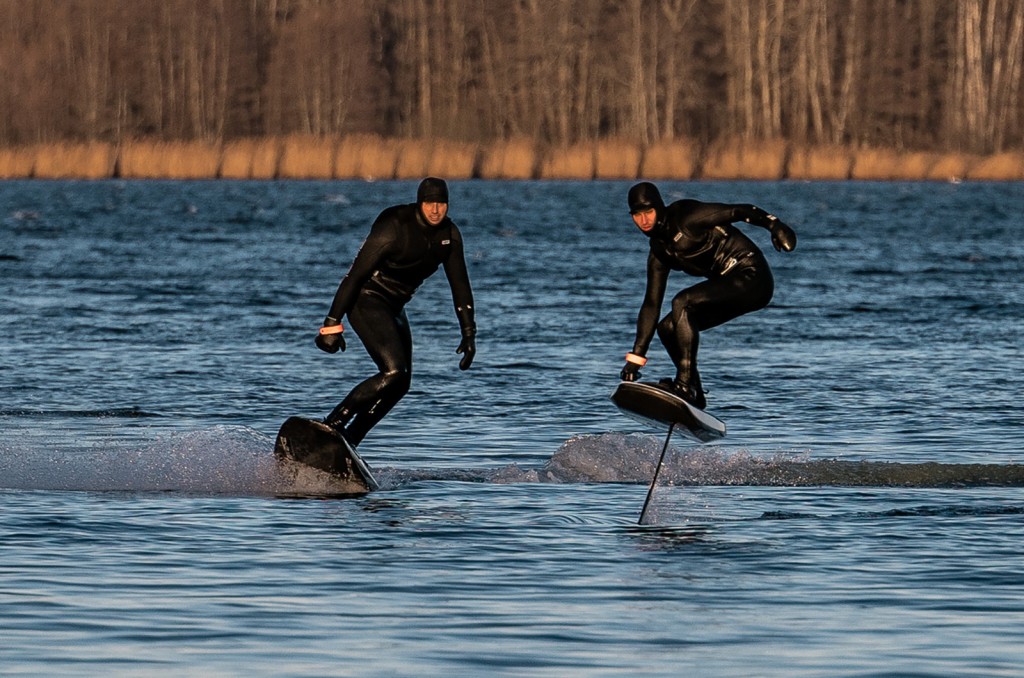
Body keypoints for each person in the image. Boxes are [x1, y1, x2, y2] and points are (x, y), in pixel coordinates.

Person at [314, 177, 476, 447]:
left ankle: (351, 440)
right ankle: (334, 423)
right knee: (393, 372)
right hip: (366, 298)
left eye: (441, 204)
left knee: (401, 383)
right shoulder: (395, 225)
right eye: (429, 203)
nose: (435, 210)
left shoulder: (449, 235)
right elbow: (354, 276)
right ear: (419, 203)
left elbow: (460, 286)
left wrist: (469, 332)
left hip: (395, 307)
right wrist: (332, 324)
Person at [619, 182, 797, 409]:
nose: (643, 220)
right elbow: (651, 304)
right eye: (637, 215)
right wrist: (636, 358)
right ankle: (695, 393)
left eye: (648, 212)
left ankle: (683, 386)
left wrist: (774, 225)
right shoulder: (659, 252)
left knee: (682, 302)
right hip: (731, 286)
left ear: (659, 208)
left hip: (753, 276)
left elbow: (737, 211)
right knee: (668, 328)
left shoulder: (686, 216)